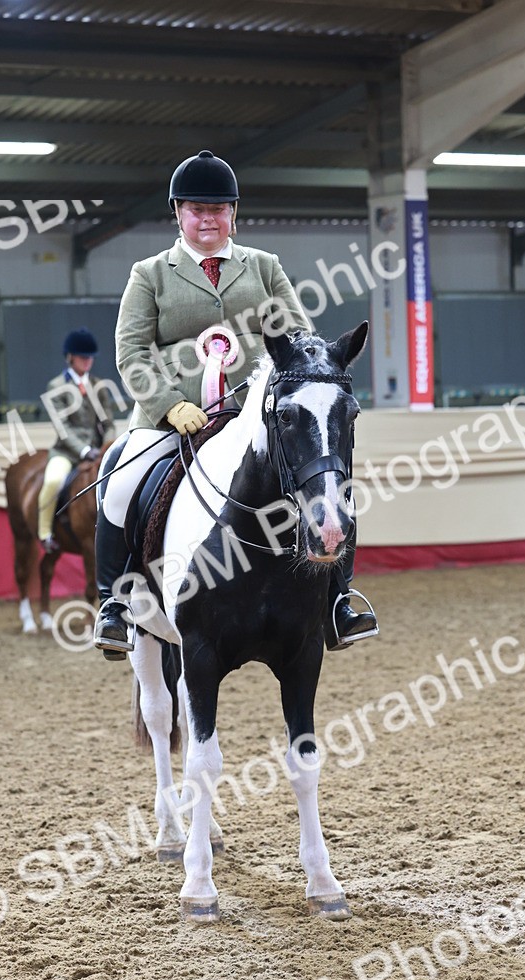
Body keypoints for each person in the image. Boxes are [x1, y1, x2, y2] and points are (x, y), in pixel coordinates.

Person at [93, 149, 377, 656]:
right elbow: (131, 351)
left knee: (328, 481)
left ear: (234, 214)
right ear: (178, 213)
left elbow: (297, 339)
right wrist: (168, 405)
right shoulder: (150, 274)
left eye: (218, 209)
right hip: (174, 417)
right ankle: (113, 606)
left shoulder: (264, 267)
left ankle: (339, 600)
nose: (208, 218)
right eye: (196, 209)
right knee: (121, 482)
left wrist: (277, 394)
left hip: (254, 413)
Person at [37, 328, 115, 550]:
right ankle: (45, 532)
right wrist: (83, 451)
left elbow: (108, 423)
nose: (88, 361)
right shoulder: (56, 387)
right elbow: (63, 429)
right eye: (83, 357)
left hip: (98, 452)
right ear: (71, 357)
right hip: (68, 453)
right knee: (53, 481)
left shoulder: (98, 386)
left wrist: (107, 447)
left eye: (90, 357)